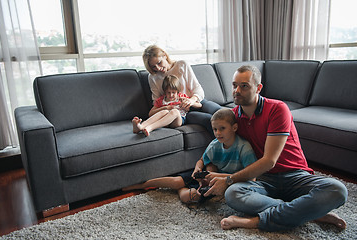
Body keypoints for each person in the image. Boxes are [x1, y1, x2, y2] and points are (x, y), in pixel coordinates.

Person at [203, 65, 348, 232]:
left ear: (258, 88)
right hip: (263, 180)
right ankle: (307, 213)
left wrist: (228, 180)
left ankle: (257, 221)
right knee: (233, 194)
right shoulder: (234, 118)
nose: (236, 91)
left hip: (294, 175)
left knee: (337, 190)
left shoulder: (277, 109)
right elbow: (216, 134)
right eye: (234, 85)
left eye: (244, 86)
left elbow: (269, 161)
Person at [124, 108, 257, 203]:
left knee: (189, 197)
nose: (217, 133)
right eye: (215, 129)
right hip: (210, 178)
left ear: (234, 128)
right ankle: (141, 185)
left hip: (230, 181)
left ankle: (181, 189)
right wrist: (197, 169)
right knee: (176, 181)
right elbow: (201, 161)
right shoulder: (215, 145)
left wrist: (218, 176)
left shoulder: (243, 148)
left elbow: (253, 179)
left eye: (222, 128)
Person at [142, 45, 221, 135]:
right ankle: (221, 146)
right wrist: (169, 107)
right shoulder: (153, 77)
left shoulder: (181, 65)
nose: (158, 68)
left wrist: (191, 100)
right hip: (183, 111)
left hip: (196, 101)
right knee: (209, 120)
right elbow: (156, 102)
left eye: (159, 63)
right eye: (153, 67)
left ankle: (237, 142)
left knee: (221, 112)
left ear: (164, 55)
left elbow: (197, 89)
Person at [132, 75, 201, 136]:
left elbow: (199, 105)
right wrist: (166, 107)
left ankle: (150, 127)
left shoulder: (181, 97)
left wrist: (189, 102)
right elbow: (150, 113)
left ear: (178, 92)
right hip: (164, 122)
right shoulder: (161, 100)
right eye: (168, 92)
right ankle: (140, 126)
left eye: (173, 92)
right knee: (164, 112)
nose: (171, 95)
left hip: (178, 120)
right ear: (165, 92)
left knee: (175, 112)